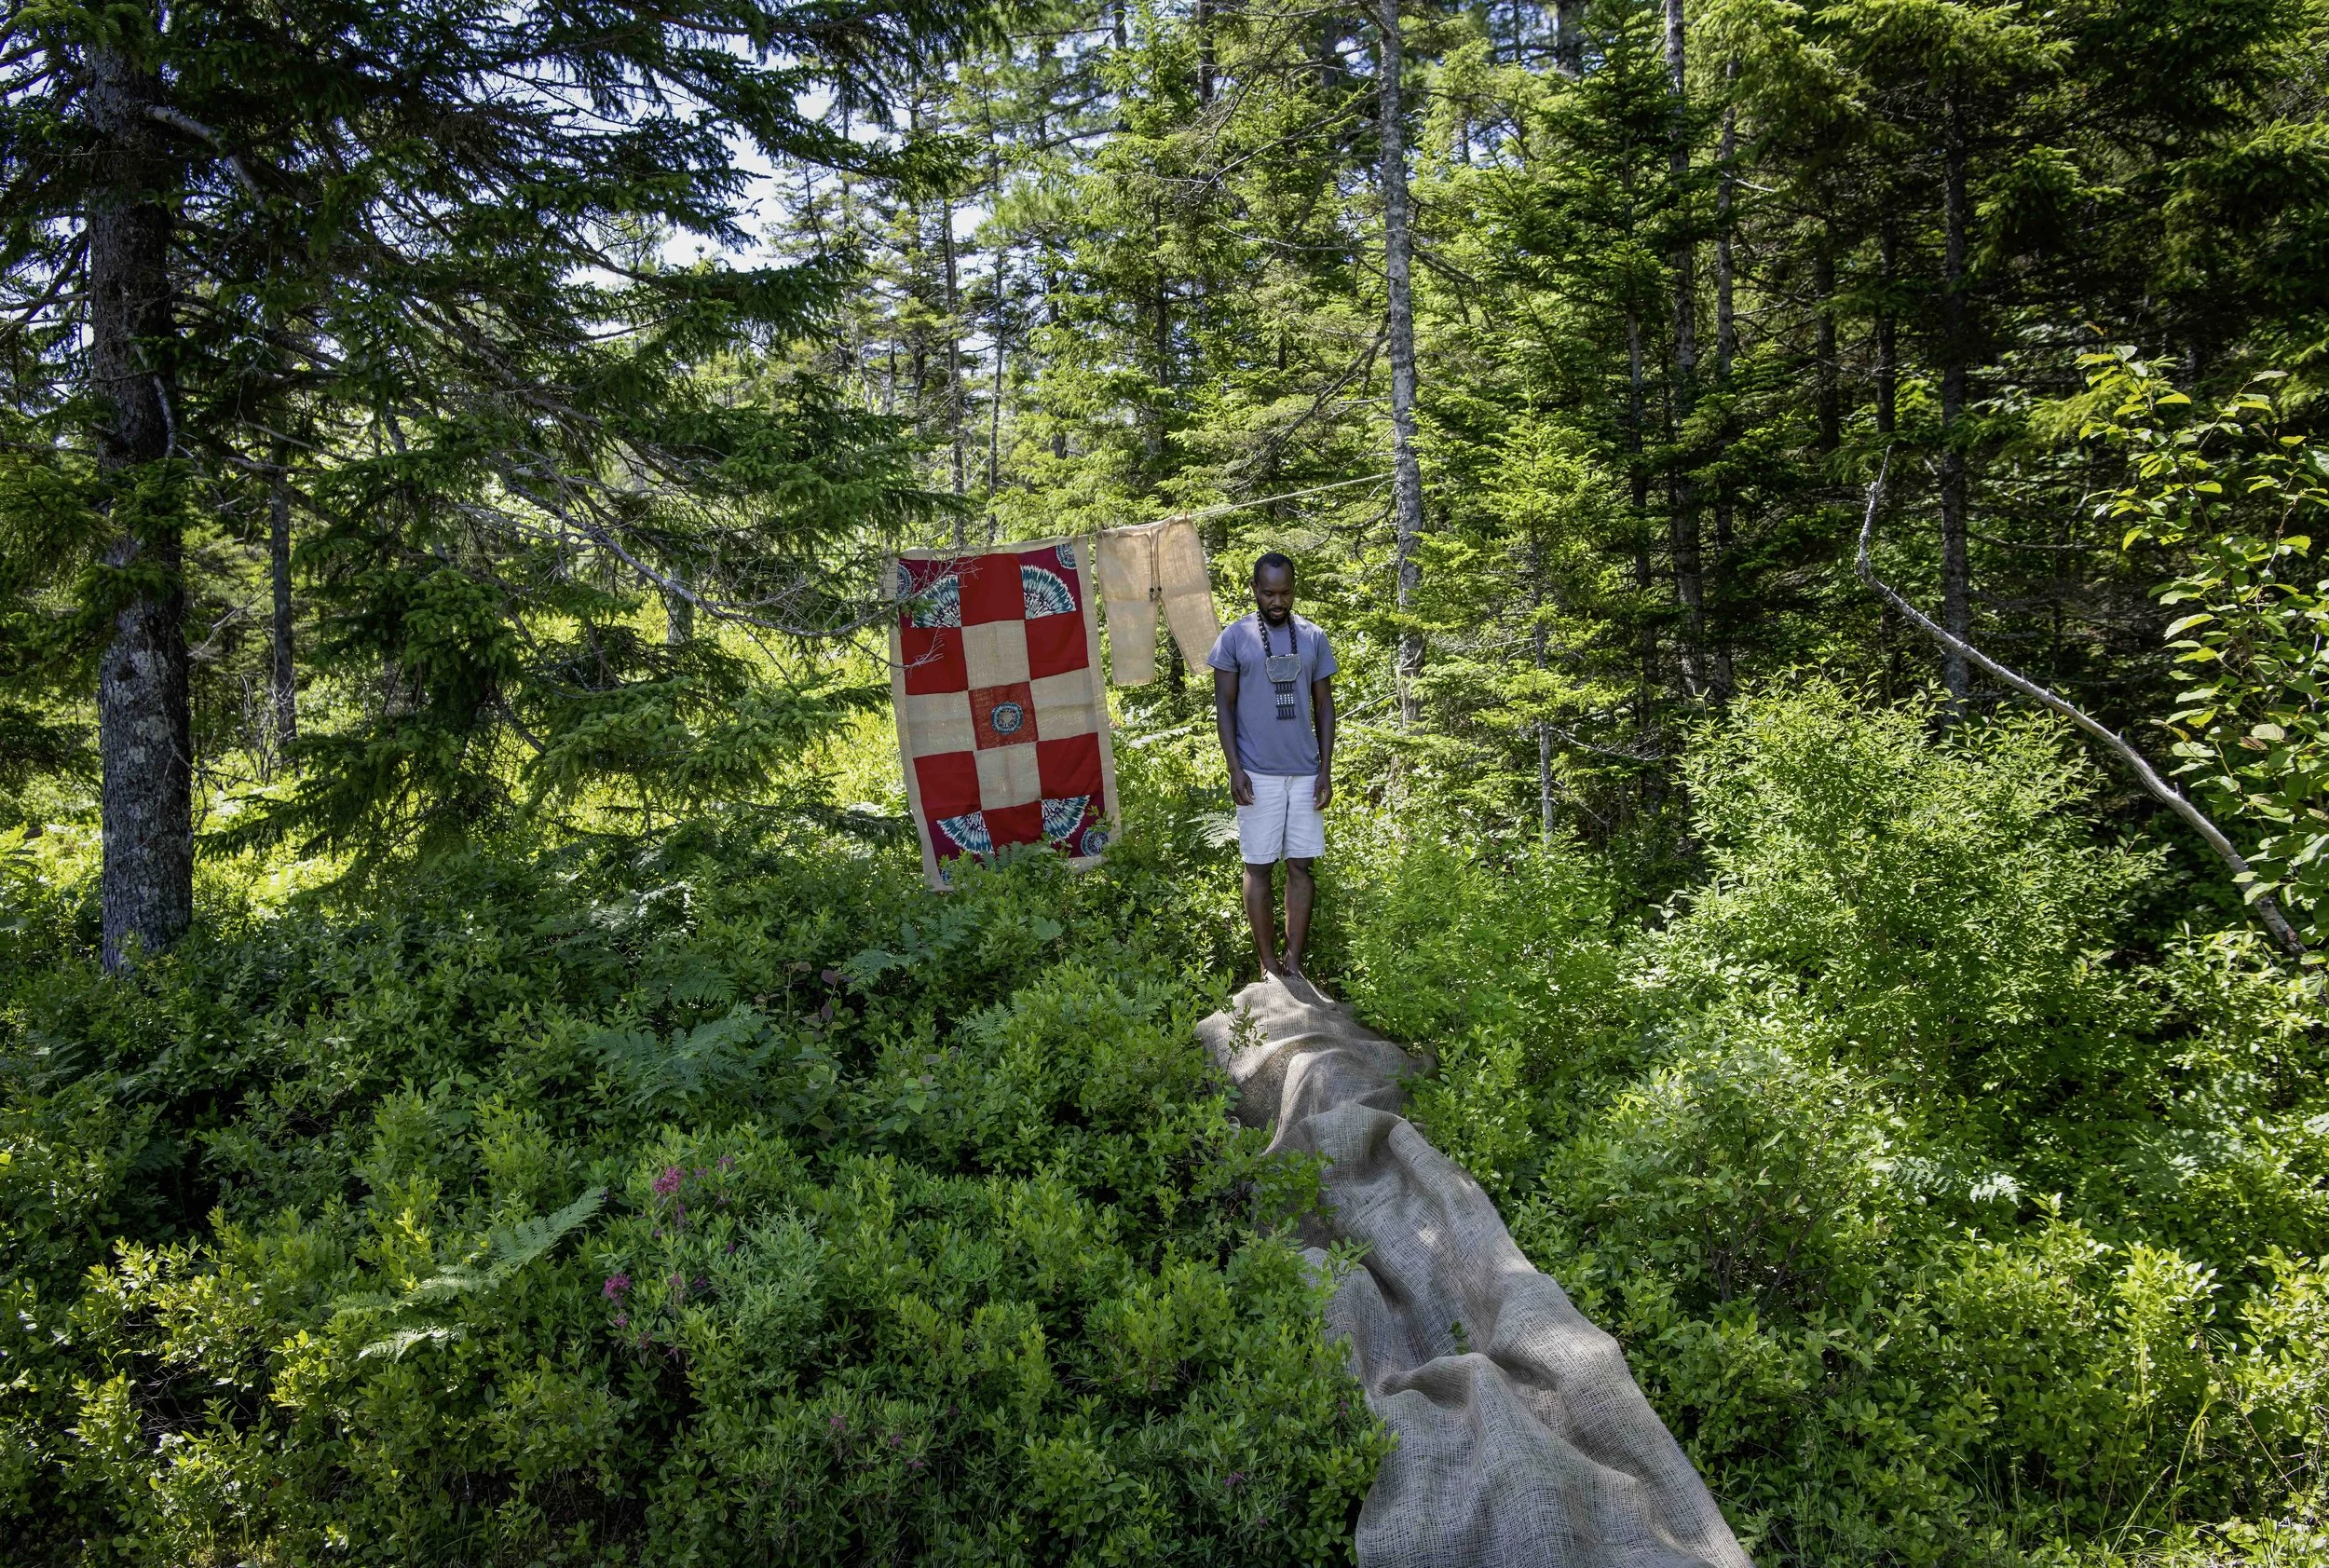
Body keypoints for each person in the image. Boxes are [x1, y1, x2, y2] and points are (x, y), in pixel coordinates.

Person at [1208, 552, 1337, 978]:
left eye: (1285, 593)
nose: (1277, 601)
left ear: (1294, 590)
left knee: (1300, 865)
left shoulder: (1314, 637)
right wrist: (1234, 768)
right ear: (1254, 590)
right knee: (1258, 865)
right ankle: (1267, 964)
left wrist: (1325, 769)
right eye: (1269, 593)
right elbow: (1223, 707)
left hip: (1304, 770)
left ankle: (1294, 964)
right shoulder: (1235, 637)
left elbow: (1324, 706)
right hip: (1256, 772)